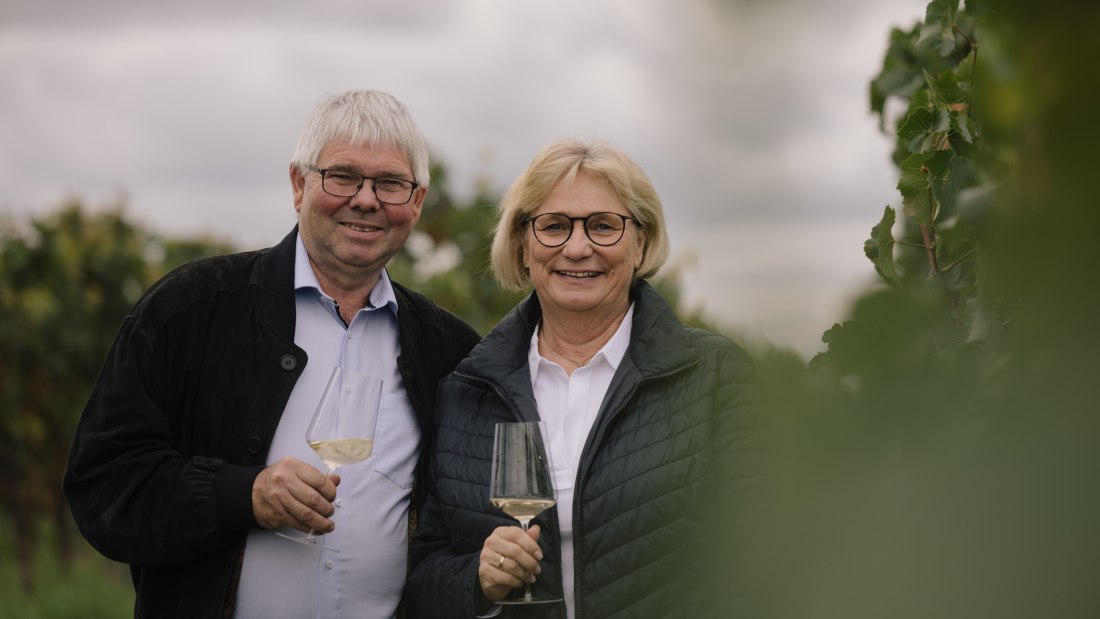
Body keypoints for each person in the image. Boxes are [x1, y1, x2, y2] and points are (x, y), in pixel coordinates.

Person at [63, 90, 480, 619]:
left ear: (416, 203)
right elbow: (103, 483)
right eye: (343, 175)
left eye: (391, 183)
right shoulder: (191, 311)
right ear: (298, 184)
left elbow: (459, 534)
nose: (367, 199)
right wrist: (243, 494)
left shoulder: (452, 352)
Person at [403, 139, 761, 618]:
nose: (577, 247)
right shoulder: (465, 390)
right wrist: (478, 580)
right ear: (522, 245)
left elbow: (761, 559)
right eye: (553, 226)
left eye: (603, 226)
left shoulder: (715, 374)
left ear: (640, 242)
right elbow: (421, 579)